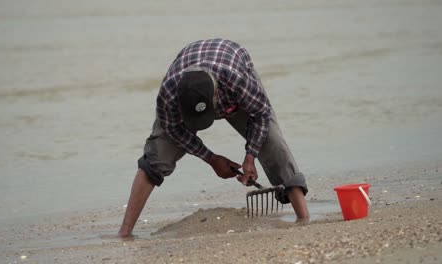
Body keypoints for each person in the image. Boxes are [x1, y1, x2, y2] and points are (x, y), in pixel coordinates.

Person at [119, 38, 309, 238]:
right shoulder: (168, 94)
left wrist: (250, 156)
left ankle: (303, 219)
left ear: (217, 92)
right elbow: (174, 131)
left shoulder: (237, 80)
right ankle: (124, 233)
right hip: (188, 80)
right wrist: (211, 158)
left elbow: (261, 114)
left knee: (272, 144)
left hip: (231, 72)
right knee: (157, 158)